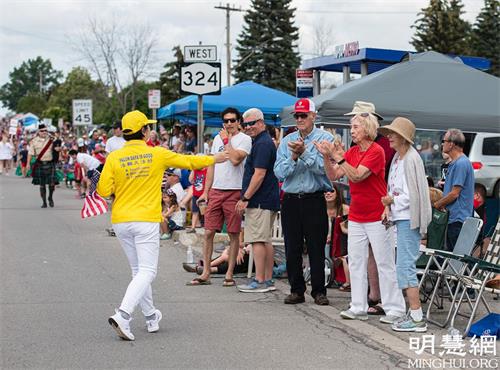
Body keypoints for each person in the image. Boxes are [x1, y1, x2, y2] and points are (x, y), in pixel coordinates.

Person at [96, 110, 227, 341]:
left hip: (121, 221)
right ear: (145, 131)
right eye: (148, 127)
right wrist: (216, 158)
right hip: (145, 219)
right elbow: (189, 161)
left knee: (139, 272)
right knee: (147, 271)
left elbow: (104, 191)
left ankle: (150, 316)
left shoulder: (114, 157)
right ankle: (123, 314)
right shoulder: (156, 153)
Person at [316, 112, 406, 322]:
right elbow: (333, 176)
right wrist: (326, 156)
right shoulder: (353, 151)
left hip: (377, 214)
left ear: (367, 129)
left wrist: (338, 157)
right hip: (357, 215)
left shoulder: (376, 151)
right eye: (352, 126)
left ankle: (395, 308)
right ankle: (358, 306)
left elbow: (356, 174)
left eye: (355, 126)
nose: (352, 130)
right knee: (356, 261)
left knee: (384, 262)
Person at [274, 98, 333, 306]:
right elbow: (279, 173)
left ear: (313, 116)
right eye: (297, 116)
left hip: (314, 198)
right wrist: (294, 157)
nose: (299, 119)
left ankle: (319, 290)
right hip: (291, 199)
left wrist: (304, 153)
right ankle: (296, 289)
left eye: (303, 115)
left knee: (316, 246)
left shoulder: (325, 138)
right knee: (292, 247)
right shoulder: (286, 140)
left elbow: (324, 170)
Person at [188, 107, 252, 287]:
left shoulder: (245, 139)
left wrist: (226, 140)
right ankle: (206, 272)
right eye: (226, 121)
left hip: (234, 190)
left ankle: (229, 274)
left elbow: (235, 159)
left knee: (233, 234)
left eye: (232, 120)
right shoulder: (217, 138)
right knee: (208, 232)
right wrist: (206, 192)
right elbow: (212, 165)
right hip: (216, 189)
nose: (229, 124)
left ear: (239, 121)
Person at [378, 117, 432, 332]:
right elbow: (399, 191)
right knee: (404, 266)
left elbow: (413, 195)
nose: (389, 136)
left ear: (403, 137)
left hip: (409, 218)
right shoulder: (400, 158)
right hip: (402, 217)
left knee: (405, 267)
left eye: (393, 133)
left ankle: (417, 317)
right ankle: (415, 314)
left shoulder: (410, 159)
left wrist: (391, 202)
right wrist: (388, 207)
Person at [235, 108, 280, 293]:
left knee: (258, 240)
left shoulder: (262, 143)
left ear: (261, 122)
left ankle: (260, 279)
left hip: (260, 200)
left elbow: (259, 174)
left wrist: (246, 197)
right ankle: (267, 279)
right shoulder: (263, 141)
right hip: (266, 199)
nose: (248, 127)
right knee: (265, 240)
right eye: (246, 124)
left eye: (252, 123)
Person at [433, 128, 474, 252]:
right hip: (455, 218)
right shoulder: (456, 163)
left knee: (456, 260)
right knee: (453, 259)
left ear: (451, 144)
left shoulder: (461, 163)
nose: (442, 144)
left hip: (458, 220)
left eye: (444, 141)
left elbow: (455, 194)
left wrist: (438, 204)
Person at [27, 124, 58, 208]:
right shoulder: (34, 141)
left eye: (45, 130)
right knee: (42, 185)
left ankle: (50, 197)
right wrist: (28, 164)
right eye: (42, 131)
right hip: (40, 164)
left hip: (50, 163)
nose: (44, 132)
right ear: (38, 132)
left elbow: (58, 141)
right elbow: (30, 153)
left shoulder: (52, 139)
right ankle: (44, 202)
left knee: (52, 184)